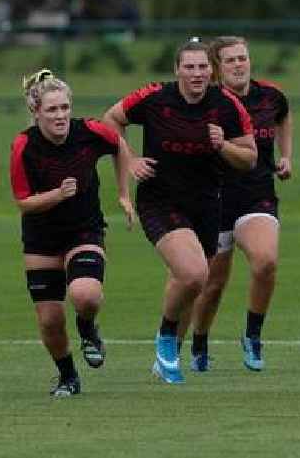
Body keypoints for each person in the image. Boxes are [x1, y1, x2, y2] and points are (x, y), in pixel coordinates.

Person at [102, 38, 256, 384]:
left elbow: (250, 157)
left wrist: (224, 145)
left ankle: (166, 356)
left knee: (191, 280)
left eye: (203, 67)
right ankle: (166, 338)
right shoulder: (155, 97)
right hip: (159, 200)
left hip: (206, 204)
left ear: (211, 70)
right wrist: (131, 160)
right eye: (190, 67)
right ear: (177, 70)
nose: (197, 73)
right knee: (193, 273)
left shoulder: (227, 105)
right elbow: (111, 119)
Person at [10, 69, 153, 397]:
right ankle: (68, 377)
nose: (60, 116)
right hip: (41, 238)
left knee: (85, 295)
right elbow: (23, 202)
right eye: (52, 110)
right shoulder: (23, 146)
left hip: (83, 230)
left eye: (64, 108)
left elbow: (118, 144)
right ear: (36, 112)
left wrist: (123, 193)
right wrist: (56, 196)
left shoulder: (89, 131)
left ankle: (88, 328)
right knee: (49, 321)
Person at [185, 36, 293, 372]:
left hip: (256, 195)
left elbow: (284, 117)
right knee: (212, 285)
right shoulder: (210, 102)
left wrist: (286, 155)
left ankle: (252, 335)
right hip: (214, 200)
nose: (239, 65)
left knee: (265, 262)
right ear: (218, 67)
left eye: (243, 58)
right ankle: (199, 341)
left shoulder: (270, 96)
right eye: (230, 60)